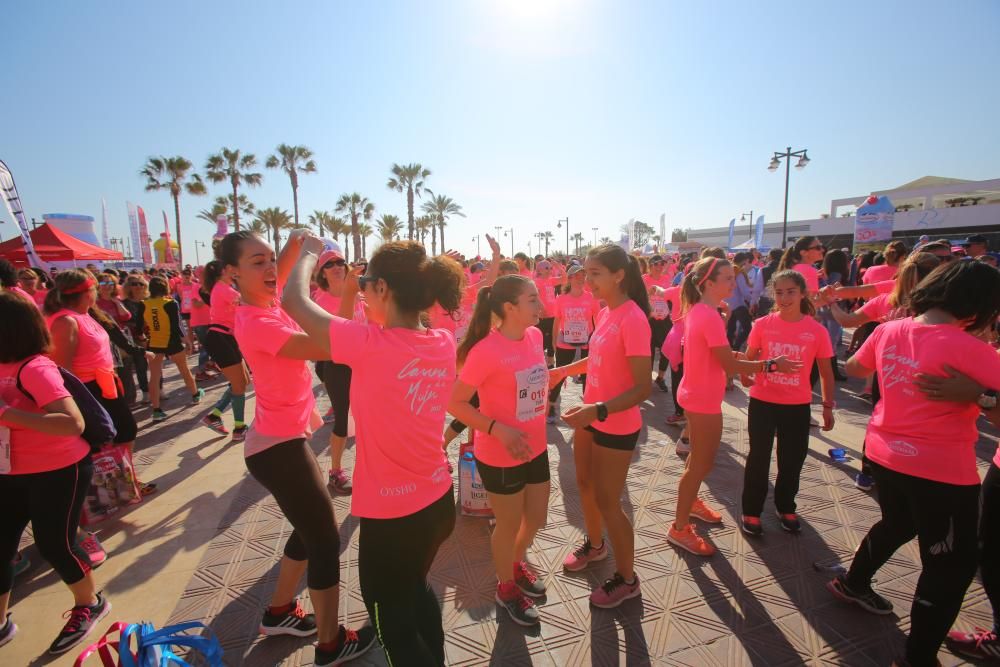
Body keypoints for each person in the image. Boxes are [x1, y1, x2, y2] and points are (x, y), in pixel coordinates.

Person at [283, 236, 463, 666]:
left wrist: (310, 251)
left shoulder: (367, 344)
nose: (359, 289)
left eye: (364, 282)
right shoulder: (442, 340)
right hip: (438, 502)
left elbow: (292, 300)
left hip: (393, 517)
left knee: (389, 623)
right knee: (416, 590)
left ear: (382, 289)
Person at [827, 260, 1000, 667]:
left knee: (899, 522)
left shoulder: (890, 329)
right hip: (940, 471)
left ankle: (853, 583)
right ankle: (917, 658)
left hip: (886, 454)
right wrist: (981, 394)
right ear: (978, 306)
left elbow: (854, 368)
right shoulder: (970, 348)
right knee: (949, 568)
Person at [219, 230, 376, 665]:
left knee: (308, 527)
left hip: (284, 440)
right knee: (325, 538)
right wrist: (310, 256)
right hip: (276, 448)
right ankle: (330, 643)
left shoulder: (262, 302)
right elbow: (330, 343)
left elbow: (292, 284)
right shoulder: (259, 319)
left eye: (271, 260)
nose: (270, 269)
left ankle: (280, 610)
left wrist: (296, 248)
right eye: (257, 262)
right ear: (232, 272)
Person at [0, 292, 111, 655]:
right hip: (10, 472)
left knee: (56, 544)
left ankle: (90, 603)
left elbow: (71, 422)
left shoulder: (35, 368)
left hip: (60, 469)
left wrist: (7, 414)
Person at [668, 257, 798, 556]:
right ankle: (678, 527)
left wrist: (737, 355)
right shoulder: (707, 314)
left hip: (696, 394)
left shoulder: (702, 310)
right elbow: (726, 363)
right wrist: (771, 365)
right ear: (708, 283)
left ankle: (691, 505)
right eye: (727, 277)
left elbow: (716, 354)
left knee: (698, 460)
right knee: (701, 462)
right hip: (702, 399)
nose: (733, 282)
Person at [547, 244, 652, 608]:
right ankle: (595, 546)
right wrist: (564, 370)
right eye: (584, 273)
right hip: (592, 414)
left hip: (615, 422)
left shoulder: (634, 318)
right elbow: (599, 358)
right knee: (585, 485)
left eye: (594, 273)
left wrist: (598, 410)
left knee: (610, 502)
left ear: (618, 275)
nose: (585, 280)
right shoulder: (607, 312)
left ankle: (628, 579)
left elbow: (643, 386)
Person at [449, 275, 550, 626]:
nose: (541, 306)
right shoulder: (485, 351)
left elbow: (536, 382)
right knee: (507, 524)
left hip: (536, 446)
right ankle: (505, 587)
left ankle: (514, 562)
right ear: (510, 308)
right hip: (500, 453)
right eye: (533, 299)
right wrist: (498, 429)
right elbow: (456, 403)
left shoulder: (535, 336)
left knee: (535, 517)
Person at [740, 270, 835, 536]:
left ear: (803, 293)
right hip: (763, 401)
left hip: (797, 405)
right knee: (759, 457)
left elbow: (826, 372)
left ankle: (786, 506)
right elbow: (749, 359)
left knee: (792, 460)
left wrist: (827, 406)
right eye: (779, 292)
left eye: (790, 291)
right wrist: (746, 375)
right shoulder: (762, 324)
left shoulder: (816, 331)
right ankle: (751, 511)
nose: (784, 298)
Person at [44, 271, 147, 494]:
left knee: (125, 431)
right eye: (96, 286)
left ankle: (125, 481)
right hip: (87, 389)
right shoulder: (65, 321)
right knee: (111, 436)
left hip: (105, 383)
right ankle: (113, 487)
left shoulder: (86, 313)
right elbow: (61, 369)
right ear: (87, 291)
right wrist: (78, 403)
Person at [310, 245, 364, 496]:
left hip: (365, 363)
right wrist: (351, 295)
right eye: (329, 264)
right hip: (337, 365)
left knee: (368, 419)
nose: (336, 267)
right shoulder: (321, 300)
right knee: (342, 419)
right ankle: (335, 471)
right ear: (321, 273)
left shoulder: (359, 294)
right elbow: (340, 331)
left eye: (340, 262)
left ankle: (369, 467)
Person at [136, 277, 203, 423]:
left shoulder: (143, 304)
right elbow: (177, 325)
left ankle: (156, 410)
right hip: (172, 342)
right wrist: (187, 340)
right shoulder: (171, 303)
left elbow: (138, 325)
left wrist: (142, 339)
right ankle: (195, 395)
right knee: (184, 370)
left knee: (154, 377)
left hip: (154, 343)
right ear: (165, 288)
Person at [200, 259, 250, 442]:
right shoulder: (223, 289)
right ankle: (239, 428)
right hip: (221, 338)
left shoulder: (223, 288)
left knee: (243, 381)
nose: (233, 269)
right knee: (239, 385)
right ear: (222, 272)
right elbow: (247, 303)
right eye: (229, 268)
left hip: (227, 338)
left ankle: (214, 416)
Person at [547, 264, 599, 423]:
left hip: (586, 342)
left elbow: (597, 319)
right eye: (576, 276)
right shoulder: (561, 299)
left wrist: (597, 339)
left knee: (587, 376)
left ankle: (587, 407)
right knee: (560, 375)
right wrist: (554, 343)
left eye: (582, 275)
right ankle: (551, 406)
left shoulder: (590, 297)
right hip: (565, 343)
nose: (580, 279)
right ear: (569, 278)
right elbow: (556, 322)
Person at [644, 255, 674, 392]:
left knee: (666, 350)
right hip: (649, 319)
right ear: (650, 265)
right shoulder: (644, 279)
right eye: (656, 264)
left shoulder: (667, 279)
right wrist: (648, 295)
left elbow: (671, 297)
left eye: (662, 264)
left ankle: (661, 377)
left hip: (664, 319)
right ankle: (646, 380)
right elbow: (638, 298)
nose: (660, 267)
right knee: (648, 351)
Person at [121, 276, 151, 404]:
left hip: (151, 336)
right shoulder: (125, 303)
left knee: (156, 365)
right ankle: (145, 392)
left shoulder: (149, 301)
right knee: (141, 366)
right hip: (134, 339)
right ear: (129, 286)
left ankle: (159, 389)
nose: (138, 286)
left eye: (141, 284)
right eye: (134, 284)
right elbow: (126, 321)